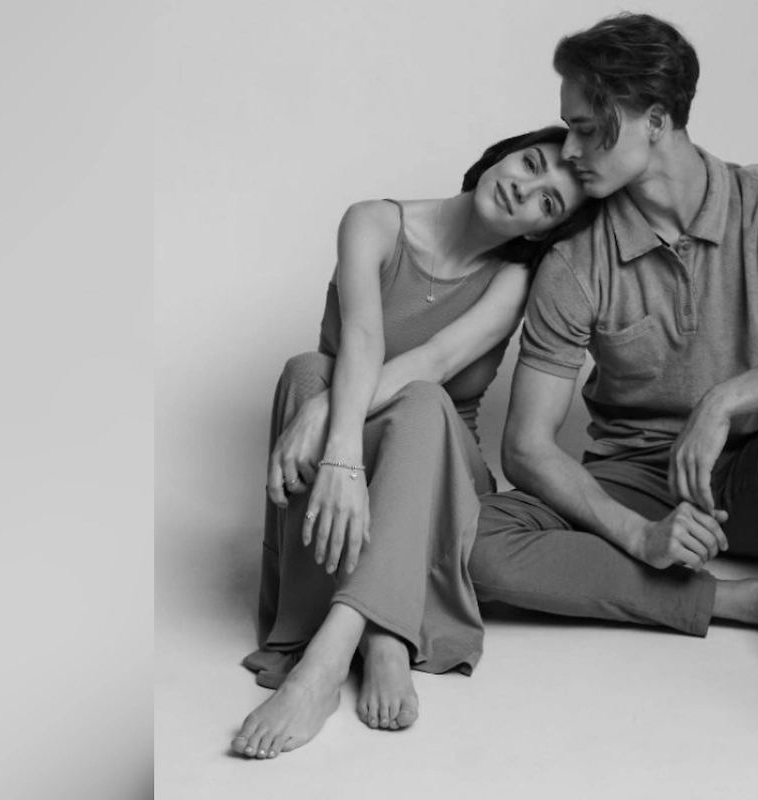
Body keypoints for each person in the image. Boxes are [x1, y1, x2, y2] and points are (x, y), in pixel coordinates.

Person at [467, 14, 758, 793]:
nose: (569, 151)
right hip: (641, 483)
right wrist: (639, 534)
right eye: (568, 128)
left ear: (656, 121)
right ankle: (750, 604)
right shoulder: (574, 261)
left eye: (587, 129)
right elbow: (524, 445)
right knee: (473, 540)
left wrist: (725, 401)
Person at [231, 126, 596, 760]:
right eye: (530, 164)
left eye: (547, 203)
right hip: (361, 444)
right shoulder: (372, 222)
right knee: (307, 372)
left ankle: (328, 660)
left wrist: (332, 425)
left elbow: (435, 359)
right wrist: (342, 445)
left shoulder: (512, 279)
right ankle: (384, 631)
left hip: (441, 469)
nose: (524, 189)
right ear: (500, 155)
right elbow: (362, 338)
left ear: (543, 231)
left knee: (422, 398)